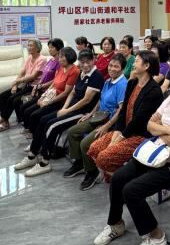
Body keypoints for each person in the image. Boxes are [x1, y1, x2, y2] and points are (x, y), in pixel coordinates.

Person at [93, 63, 170, 245]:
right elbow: (149, 125)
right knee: (118, 179)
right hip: (154, 153)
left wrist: (161, 130)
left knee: (132, 191)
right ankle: (115, 224)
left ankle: (156, 236)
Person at [14, 49, 105, 177]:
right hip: (71, 108)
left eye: (88, 62)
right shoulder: (82, 73)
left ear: (93, 60)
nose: (85, 65)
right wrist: (64, 108)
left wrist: (67, 110)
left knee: (52, 126)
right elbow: (72, 92)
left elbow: (86, 100)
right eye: (82, 62)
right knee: (43, 120)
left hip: (82, 112)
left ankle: (44, 163)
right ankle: (32, 156)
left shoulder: (96, 76)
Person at [88, 51, 163, 179]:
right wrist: (117, 132)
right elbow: (123, 111)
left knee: (104, 157)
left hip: (140, 135)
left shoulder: (153, 91)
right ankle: (117, 176)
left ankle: (123, 178)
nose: (133, 64)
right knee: (94, 148)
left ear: (146, 66)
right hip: (125, 130)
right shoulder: (132, 83)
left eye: (136, 61)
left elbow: (139, 120)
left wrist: (120, 137)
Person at [64, 54, 128, 190]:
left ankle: (92, 172)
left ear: (122, 69)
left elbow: (121, 110)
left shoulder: (123, 84)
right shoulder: (108, 81)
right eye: (111, 65)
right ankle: (80, 163)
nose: (112, 68)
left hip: (111, 122)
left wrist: (106, 126)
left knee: (85, 143)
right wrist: (90, 114)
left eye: (116, 66)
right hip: (99, 116)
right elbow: (100, 100)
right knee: (72, 132)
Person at [0, 39, 46, 133]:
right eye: (28, 45)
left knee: (12, 99)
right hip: (25, 84)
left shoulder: (42, 59)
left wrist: (17, 81)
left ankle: (2, 121)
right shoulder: (29, 57)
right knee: (3, 95)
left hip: (34, 87)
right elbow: (22, 72)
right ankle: (5, 121)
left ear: (38, 48)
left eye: (31, 45)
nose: (29, 47)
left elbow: (33, 76)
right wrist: (15, 85)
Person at [21, 47, 80, 136]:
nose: (59, 59)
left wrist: (48, 102)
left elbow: (66, 93)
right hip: (51, 96)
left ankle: (35, 134)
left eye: (62, 57)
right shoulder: (61, 68)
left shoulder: (74, 71)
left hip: (60, 101)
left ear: (69, 57)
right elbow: (53, 83)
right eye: (59, 57)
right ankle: (32, 131)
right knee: (28, 110)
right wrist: (43, 97)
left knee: (35, 115)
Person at [18, 38, 63, 121]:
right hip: (40, 89)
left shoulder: (60, 63)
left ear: (59, 48)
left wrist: (41, 86)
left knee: (28, 110)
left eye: (52, 47)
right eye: (49, 47)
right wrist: (37, 86)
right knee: (24, 106)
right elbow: (43, 75)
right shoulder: (51, 60)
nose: (49, 50)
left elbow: (55, 80)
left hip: (48, 91)